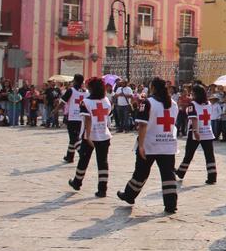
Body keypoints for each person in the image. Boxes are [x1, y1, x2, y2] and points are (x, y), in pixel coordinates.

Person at [117, 78, 179, 213]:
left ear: (153, 88)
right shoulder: (173, 103)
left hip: (150, 144)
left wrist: (140, 145)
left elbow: (143, 125)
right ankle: (171, 204)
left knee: (141, 172)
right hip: (168, 143)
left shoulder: (148, 103)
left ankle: (129, 195)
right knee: (168, 175)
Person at [69, 77, 112, 197]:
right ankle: (102, 189)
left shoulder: (86, 102)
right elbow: (107, 115)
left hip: (90, 135)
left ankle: (77, 182)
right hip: (104, 134)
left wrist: (88, 136)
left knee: (83, 160)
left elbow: (88, 119)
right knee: (103, 162)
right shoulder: (106, 101)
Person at [175, 85, 217, 185]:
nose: (191, 94)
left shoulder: (192, 104)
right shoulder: (209, 104)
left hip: (195, 133)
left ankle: (181, 172)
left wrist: (195, 131)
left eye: (193, 93)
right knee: (209, 155)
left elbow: (194, 118)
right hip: (207, 132)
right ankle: (212, 176)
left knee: (189, 154)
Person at [59, 74, 87, 163]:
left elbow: (63, 102)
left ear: (75, 81)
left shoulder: (71, 90)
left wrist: (55, 110)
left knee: (74, 138)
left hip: (73, 118)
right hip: (82, 118)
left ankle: (82, 154)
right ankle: (69, 156)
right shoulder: (86, 92)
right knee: (73, 138)